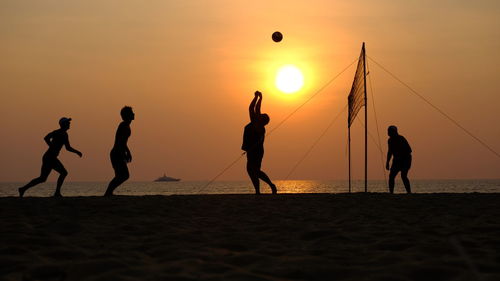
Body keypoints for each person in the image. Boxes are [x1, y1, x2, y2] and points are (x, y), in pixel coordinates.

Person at [18, 117, 83, 197]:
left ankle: (23, 189)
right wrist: (51, 145)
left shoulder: (65, 134)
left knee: (43, 178)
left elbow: (67, 147)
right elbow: (46, 138)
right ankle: (57, 193)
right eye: (67, 123)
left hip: (51, 157)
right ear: (63, 124)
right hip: (49, 157)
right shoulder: (57, 132)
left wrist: (77, 152)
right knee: (63, 173)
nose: (69, 124)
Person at [242, 91, 277, 195]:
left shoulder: (259, 126)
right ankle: (258, 191)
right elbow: (251, 108)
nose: (259, 114)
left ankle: (271, 185)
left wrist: (259, 98)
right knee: (251, 171)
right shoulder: (254, 122)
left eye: (261, 115)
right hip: (251, 150)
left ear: (262, 121)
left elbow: (255, 109)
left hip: (256, 151)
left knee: (255, 171)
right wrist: (256, 97)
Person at [104, 106, 134, 196]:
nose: (134, 114)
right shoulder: (124, 125)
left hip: (118, 152)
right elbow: (120, 142)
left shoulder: (126, 125)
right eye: (132, 113)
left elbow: (123, 141)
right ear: (127, 115)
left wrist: (128, 152)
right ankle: (108, 192)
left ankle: (109, 193)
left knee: (121, 175)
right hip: (117, 153)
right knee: (124, 175)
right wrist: (124, 153)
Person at [386, 125, 412, 194]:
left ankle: (409, 192)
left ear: (394, 132)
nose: (388, 133)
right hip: (396, 161)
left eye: (389, 131)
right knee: (391, 176)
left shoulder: (401, 138)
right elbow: (390, 152)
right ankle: (391, 193)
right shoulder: (390, 141)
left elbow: (409, 150)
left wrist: (401, 156)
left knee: (403, 175)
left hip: (405, 160)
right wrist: (387, 162)